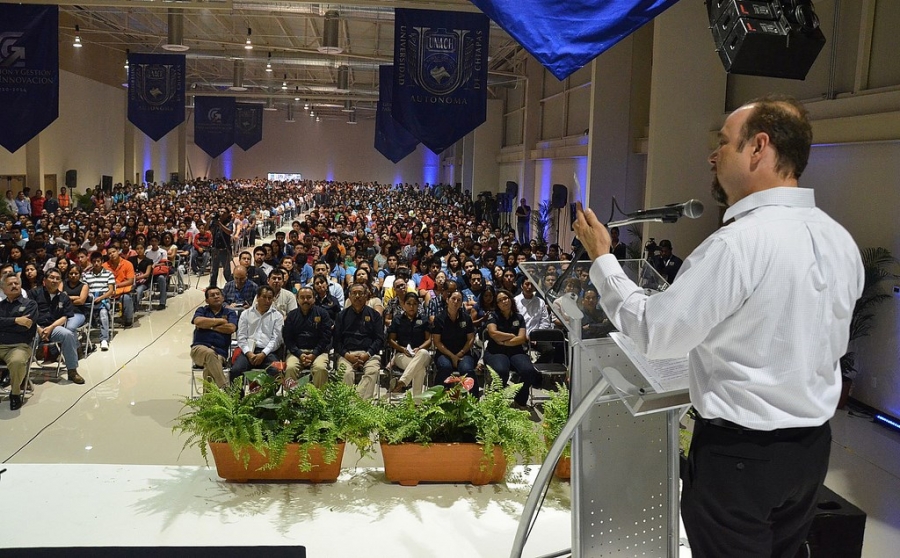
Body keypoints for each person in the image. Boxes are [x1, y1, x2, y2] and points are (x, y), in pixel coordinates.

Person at [573, 95, 864, 558]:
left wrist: (603, 261)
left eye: (724, 143)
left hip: (742, 458)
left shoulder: (738, 245)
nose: (713, 155)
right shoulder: (838, 238)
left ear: (758, 148)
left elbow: (656, 333)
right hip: (810, 451)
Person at [483, 288, 539, 410]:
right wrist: (511, 336)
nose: (504, 302)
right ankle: (497, 402)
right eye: (500, 300)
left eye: (506, 298)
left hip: (515, 350)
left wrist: (504, 342)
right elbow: (493, 333)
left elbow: (522, 338)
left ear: (510, 300)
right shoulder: (493, 316)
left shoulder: (518, 317)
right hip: (495, 351)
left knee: (529, 371)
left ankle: (520, 400)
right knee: (501, 371)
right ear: (497, 304)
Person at [29, 268, 84, 385]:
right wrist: (38, 328)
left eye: (57, 278)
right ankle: (23, 375)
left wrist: (51, 327)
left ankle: (72, 370)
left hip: (53, 328)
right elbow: (29, 314)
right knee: (27, 338)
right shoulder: (34, 293)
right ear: (45, 280)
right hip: (35, 327)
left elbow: (65, 317)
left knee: (68, 334)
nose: (54, 281)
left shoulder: (64, 297)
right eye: (52, 278)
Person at [333, 282, 384, 399]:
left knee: (372, 371)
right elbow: (337, 341)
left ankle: (355, 403)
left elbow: (379, 339)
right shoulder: (341, 315)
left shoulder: (374, 315)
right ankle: (351, 405)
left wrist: (367, 354)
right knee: (345, 373)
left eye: (360, 293)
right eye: (354, 293)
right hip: (347, 355)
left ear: (366, 296)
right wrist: (347, 355)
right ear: (349, 296)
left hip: (369, 354)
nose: (357, 296)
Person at [0, 272, 39, 410]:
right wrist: (16, 320)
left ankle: (15, 393)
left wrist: (5, 324)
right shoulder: (1, 305)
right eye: (10, 284)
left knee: (17, 361)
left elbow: (25, 328)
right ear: (3, 289)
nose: (14, 286)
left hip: (20, 346)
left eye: (16, 283)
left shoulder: (30, 304)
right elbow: (19, 325)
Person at [282, 286, 333, 388]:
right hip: (296, 353)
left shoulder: (323, 314)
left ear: (314, 298)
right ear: (297, 299)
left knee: (321, 368)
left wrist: (314, 354)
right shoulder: (292, 316)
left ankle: (319, 400)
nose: (305, 300)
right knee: (290, 368)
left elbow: (326, 338)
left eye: (309, 297)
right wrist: (299, 354)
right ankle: (292, 401)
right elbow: (288, 339)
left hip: (319, 352)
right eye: (302, 297)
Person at [232, 285, 283, 382]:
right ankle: (238, 397)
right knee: (236, 371)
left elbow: (276, 339)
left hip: (268, 352)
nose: (267, 301)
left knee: (276, 371)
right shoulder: (246, 314)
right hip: (248, 351)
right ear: (258, 297)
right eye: (264, 297)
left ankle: (267, 397)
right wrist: (249, 353)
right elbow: (241, 337)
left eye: (270, 298)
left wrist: (263, 354)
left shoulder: (277, 316)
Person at [190, 287, 238, 390]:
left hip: (220, 353)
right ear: (207, 300)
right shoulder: (202, 310)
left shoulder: (230, 313)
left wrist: (208, 325)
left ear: (223, 297)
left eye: (218, 294)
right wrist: (221, 321)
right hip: (199, 349)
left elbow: (231, 328)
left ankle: (208, 404)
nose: (216, 296)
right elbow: (198, 321)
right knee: (210, 354)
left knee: (210, 367)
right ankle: (226, 388)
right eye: (212, 295)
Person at [432, 290, 477, 395]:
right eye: (453, 299)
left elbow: (471, 339)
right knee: (445, 368)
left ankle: (473, 401)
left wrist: (460, 353)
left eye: (459, 300)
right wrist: (452, 357)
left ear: (461, 303)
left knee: (468, 369)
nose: (456, 302)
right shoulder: (439, 319)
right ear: (447, 300)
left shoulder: (466, 318)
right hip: (444, 353)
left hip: (463, 353)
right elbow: (437, 342)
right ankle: (440, 398)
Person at [386, 292, 432, 394]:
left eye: (415, 304)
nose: (412, 306)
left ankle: (402, 382)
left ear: (418, 305)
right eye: (409, 304)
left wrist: (419, 348)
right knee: (420, 370)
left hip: (421, 354)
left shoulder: (423, 319)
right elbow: (391, 340)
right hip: (402, 354)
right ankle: (417, 403)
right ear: (404, 305)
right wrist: (402, 349)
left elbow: (429, 340)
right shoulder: (397, 319)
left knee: (423, 353)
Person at [82, 251, 116, 351]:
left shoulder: (109, 274)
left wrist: (101, 298)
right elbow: (85, 288)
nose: (96, 263)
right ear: (91, 262)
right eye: (94, 261)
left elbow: (111, 290)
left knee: (103, 314)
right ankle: (84, 339)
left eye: (98, 261)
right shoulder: (86, 275)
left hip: (103, 298)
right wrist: (90, 296)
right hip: (90, 298)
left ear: (102, 262)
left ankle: (104, 339)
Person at [104, 245, 135, 327]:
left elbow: (130, 281)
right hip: (108, 291)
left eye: (113, 252)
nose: (112, 254)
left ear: (118, 251)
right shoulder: (104, 266)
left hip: (123, 290)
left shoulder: (128, 264)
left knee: (126, 298)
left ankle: (128, 320)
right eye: (109, 253)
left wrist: (117, 285)